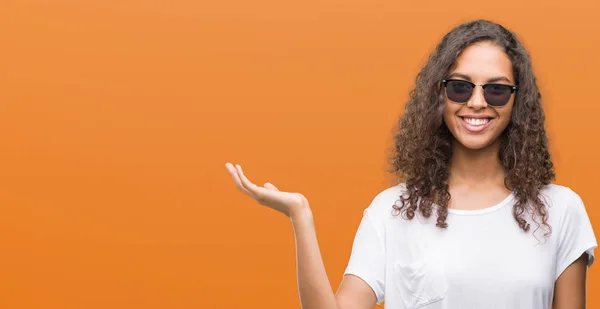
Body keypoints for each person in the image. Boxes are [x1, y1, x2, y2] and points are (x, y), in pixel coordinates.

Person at [224, 19, 597, 309]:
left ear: (518, 101)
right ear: (440, 94)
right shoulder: (391, 212)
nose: (478, 102)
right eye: (461, 87)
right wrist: (300, 216)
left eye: (496, 89)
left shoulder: (560, 211)